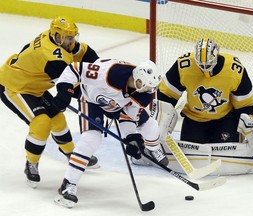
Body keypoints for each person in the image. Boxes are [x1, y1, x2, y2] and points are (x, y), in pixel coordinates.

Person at [52, 58, 168, 208]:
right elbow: (74, 68)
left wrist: (132, 138)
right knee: (91, 140)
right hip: (91, 100)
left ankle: (153, 149)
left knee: (150, 126)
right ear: (138, 79)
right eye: (147, 87)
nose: (149, 91)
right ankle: (68, 184)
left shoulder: (143, 93)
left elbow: (129, 115)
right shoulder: (110, 74)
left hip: (118, 106)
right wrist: (64, 92)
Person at [0, 16, 99, 188]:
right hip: (13, 86)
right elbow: (70, 87)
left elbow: (85, 52)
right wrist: (96, 96)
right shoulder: (52, 57)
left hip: (34, 86)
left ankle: (71, 155)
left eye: (73, 37)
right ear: (58, 36)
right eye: (69, 38)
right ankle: (31, 163)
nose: (72, 41)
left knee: (58, 120)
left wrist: (100, 70)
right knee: (42, 122)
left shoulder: (58, 40)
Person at [157, 38, 253, 144]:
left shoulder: (234, 70)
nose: (205, 68)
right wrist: (161, 120)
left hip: (225, 119)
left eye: (208, 64)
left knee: (226, 156)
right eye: (201, 65)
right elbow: (167, 94)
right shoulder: (184, 65)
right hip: (194, 119)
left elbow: (245, 104)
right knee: (192, 155)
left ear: (216, 56)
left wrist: (250, 128)